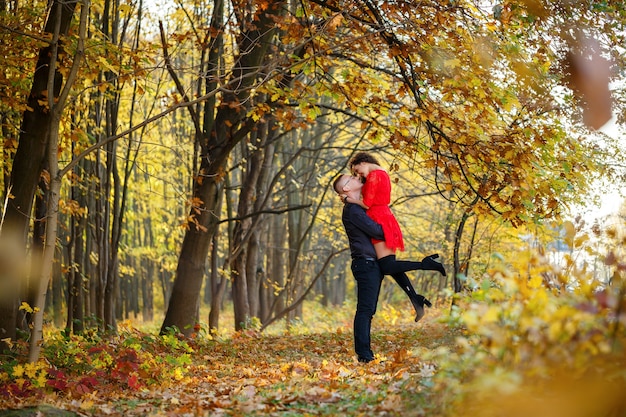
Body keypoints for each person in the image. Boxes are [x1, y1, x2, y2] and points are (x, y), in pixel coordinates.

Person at [342, 151, 445, 321]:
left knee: (388, 267)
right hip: (384, 217)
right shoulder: (381, 174)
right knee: (389, 265)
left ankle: (425, 265)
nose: (358, 175)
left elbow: (367, 204)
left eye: (357, 170)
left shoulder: (375, 175)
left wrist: (349, 200)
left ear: (363, 161)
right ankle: (415, 299)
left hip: (379, 219)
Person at [333, 173, 386, 363]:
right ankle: (364, 355)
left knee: (367, 309)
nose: (357, 178)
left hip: (370, 263)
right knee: (365, 310)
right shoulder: (352, 211)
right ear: (346, 188)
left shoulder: (357, 207)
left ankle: (365, 354)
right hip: (366, 263)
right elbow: (378, 231)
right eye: (352, 178)